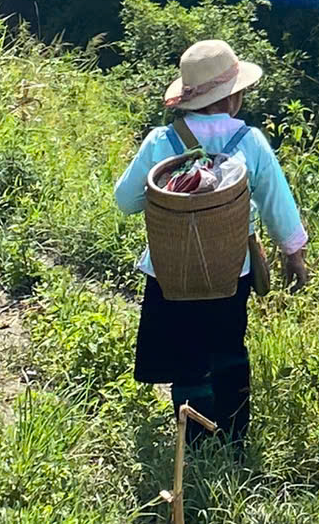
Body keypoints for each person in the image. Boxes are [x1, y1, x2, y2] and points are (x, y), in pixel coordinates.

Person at [114, 36, 308, 450]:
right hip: (229, 270)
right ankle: (234, 439)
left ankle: (194, 442)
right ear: (233, 98)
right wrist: (294, 254)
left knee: (186, 357)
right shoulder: (250, 142)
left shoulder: (159, 142)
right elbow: (277, 202)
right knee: (228, 347)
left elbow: (126, 201)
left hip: (168, 271)